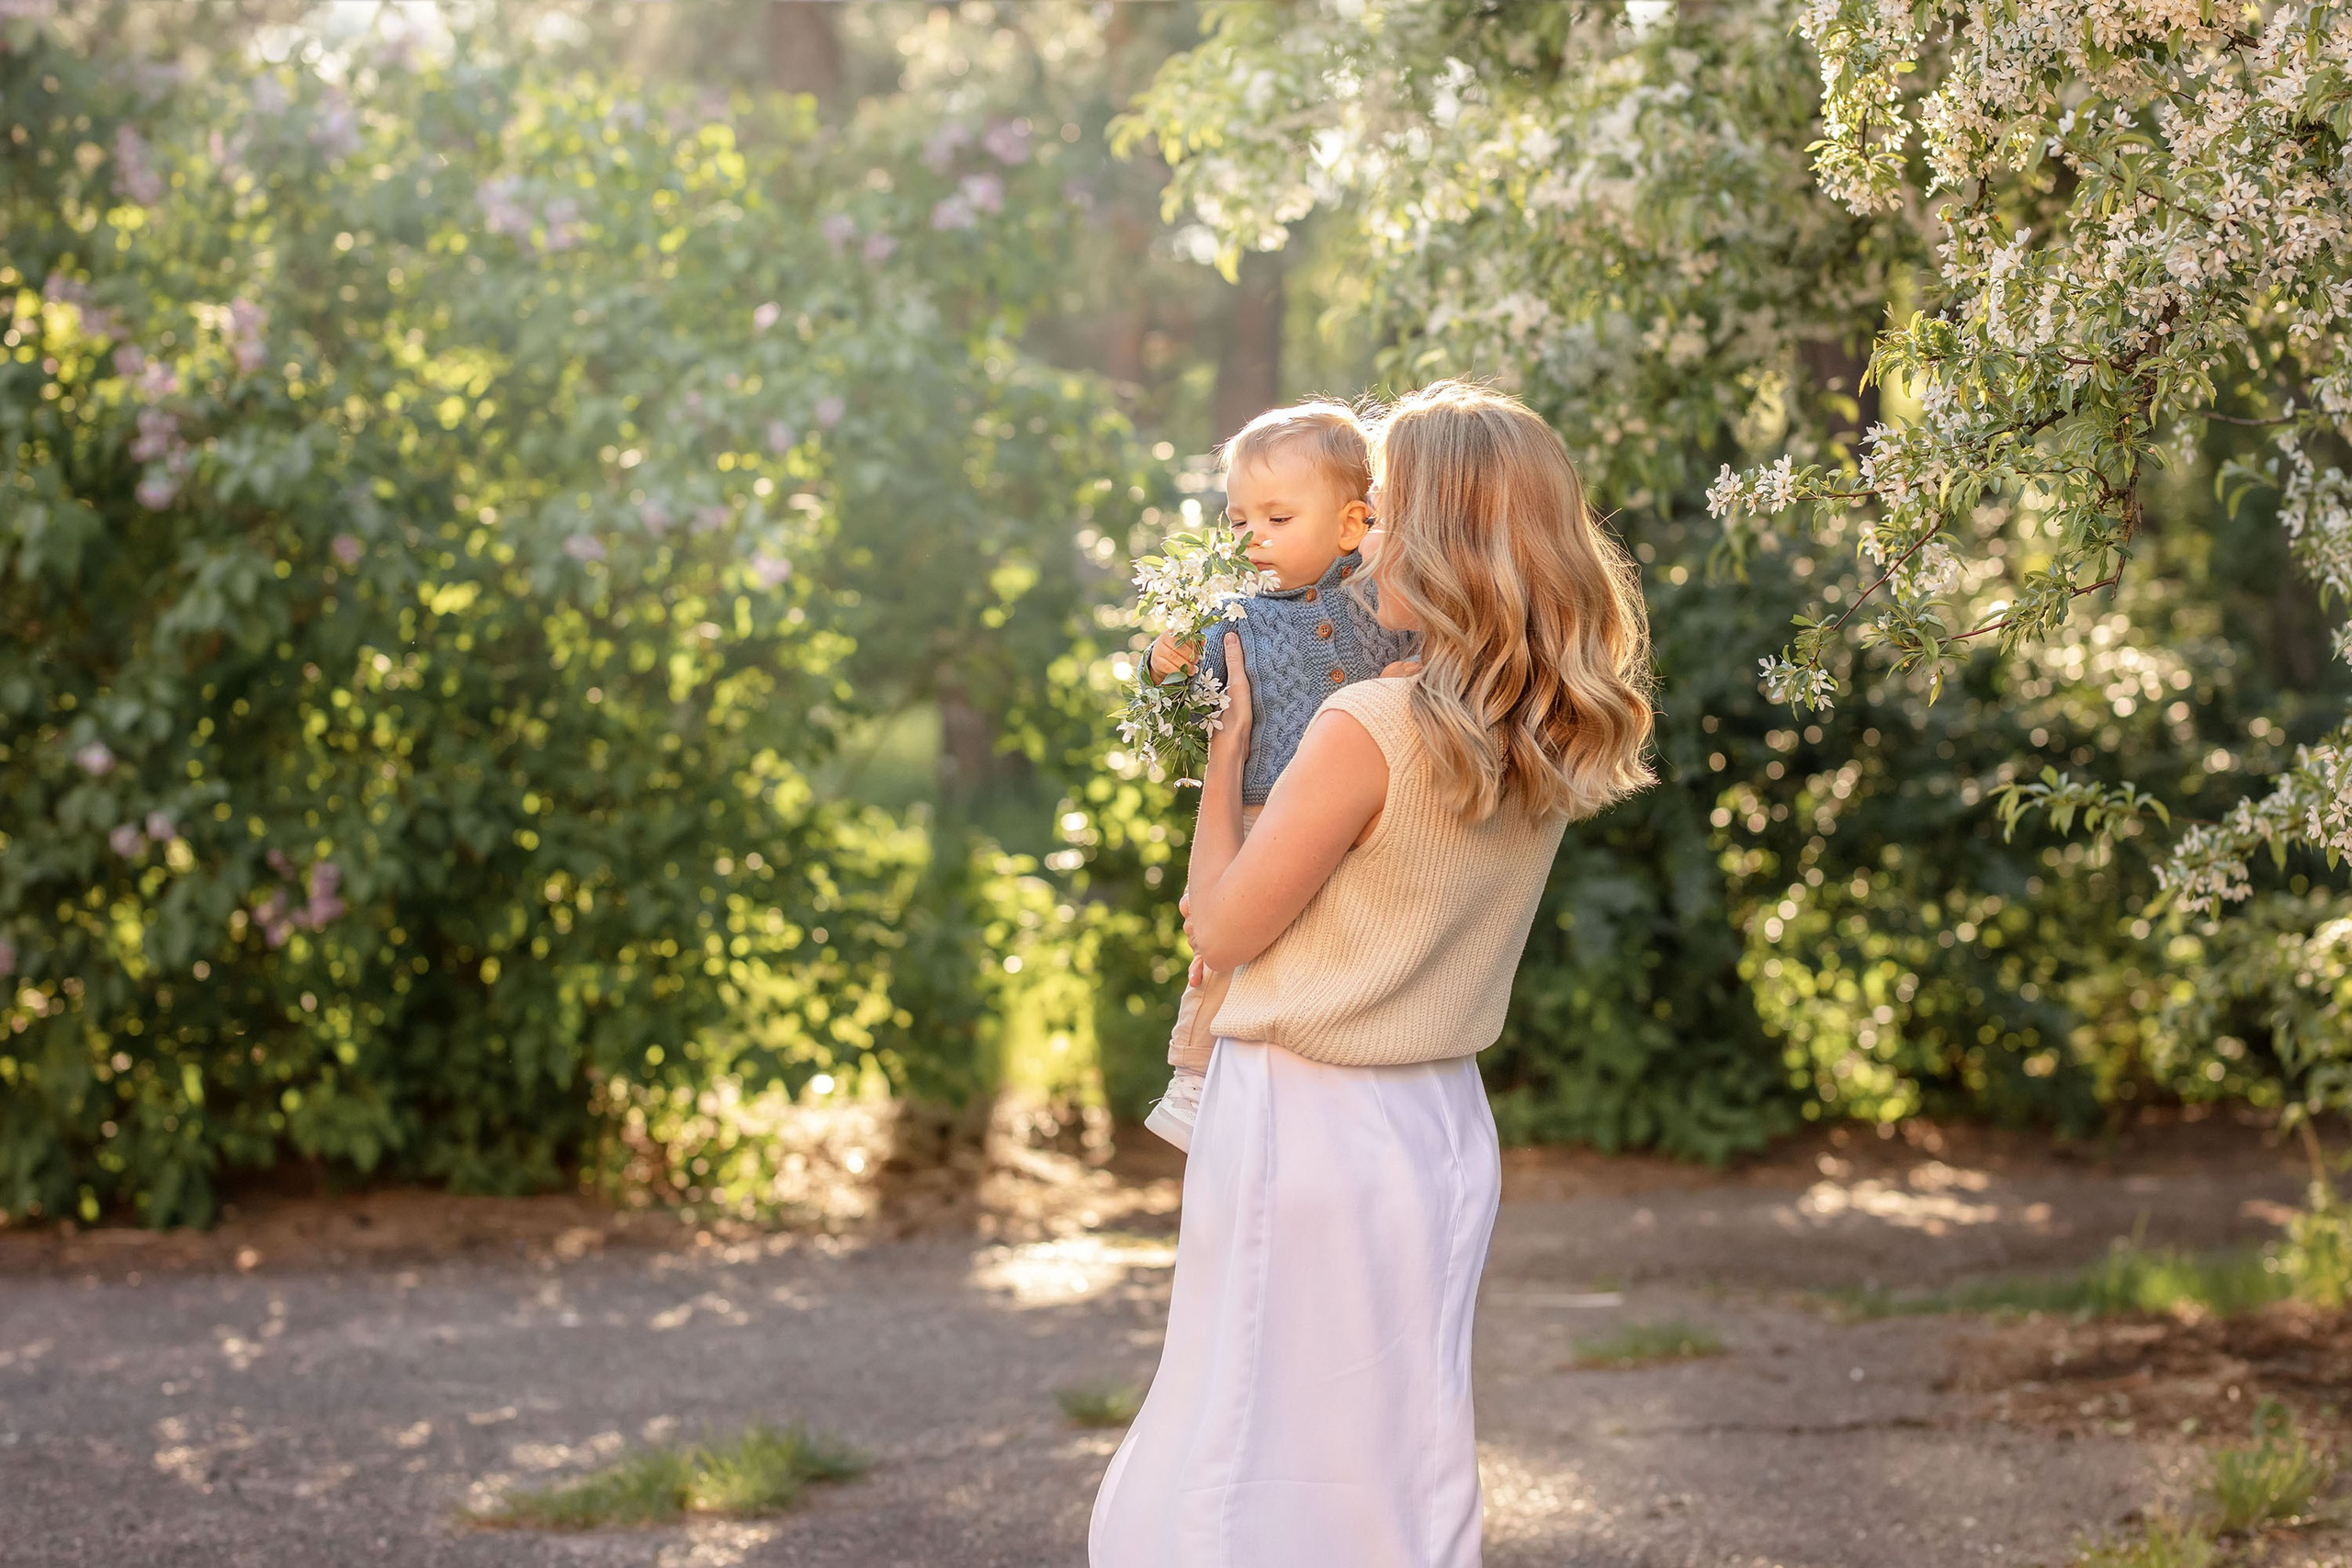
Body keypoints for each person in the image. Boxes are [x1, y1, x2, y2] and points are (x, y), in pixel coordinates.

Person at [1090, 381, 1656, 1568]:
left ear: (1440, 539)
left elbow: (1223, 924)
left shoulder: (1371, 724)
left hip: (1310, 1115)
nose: (1369, 534)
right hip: (1441, 1125)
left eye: (1388, 511)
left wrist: (1230, 747)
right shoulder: (1539, 724)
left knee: (1242, 1436)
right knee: (1397, 1454)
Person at [1137, 400, 1419, 1152]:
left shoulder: (1381, 593)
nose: (1252, 538)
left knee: (1327, 931)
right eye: (1236, 522)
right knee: (1227, 947)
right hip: (1263, 805)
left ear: (1355, 523)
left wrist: (1415, 666)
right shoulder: (1234, 613)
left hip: (1362, 812)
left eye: (1278, 519)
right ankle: (1195, 1076)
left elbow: (1432, 644)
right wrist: (1162, 664)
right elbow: (1183, 690)